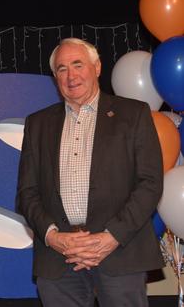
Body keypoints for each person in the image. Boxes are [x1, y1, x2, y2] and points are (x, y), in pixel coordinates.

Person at [16, 38, 164, 307]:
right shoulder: (37, 124)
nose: (71, 75)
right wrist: (53, 237)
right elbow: (27, 193)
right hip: (58, 257)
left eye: (77, 64)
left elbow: (150, 183)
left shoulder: (134, 114)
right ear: (55, 77)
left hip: (120, 251)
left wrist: (110, 238)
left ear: (96, 68)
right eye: (61, 69)